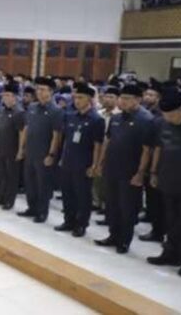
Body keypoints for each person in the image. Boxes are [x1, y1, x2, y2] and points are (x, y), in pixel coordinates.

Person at [93, 83, 155, 254]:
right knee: (112, 205)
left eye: (128, 99)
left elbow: (147, 150)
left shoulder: (146, 120)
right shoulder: (117, 118)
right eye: (122, 98)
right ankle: (113, 235)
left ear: (138, 100)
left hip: (130, 171)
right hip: (112, 167)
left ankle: (124, 240)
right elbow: (108, 141)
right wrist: (100, 163)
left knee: (127, 208)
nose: (123, 102)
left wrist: (141, 173)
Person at [147, 88, 181, 278]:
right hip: (168, 179)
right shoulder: (162, 123)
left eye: (172, 116)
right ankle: (170, 254)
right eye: (166, 116)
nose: (169, 120)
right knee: (170, 221)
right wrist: (154, 171)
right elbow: (158, 148)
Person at [55, 83, 105, 238]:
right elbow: (66, 140)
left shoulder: (96, 119)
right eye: (75, 97)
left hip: (84, 163)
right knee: (67, 193)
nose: (77, 100)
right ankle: (68, 220)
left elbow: (98, 144)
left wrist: (95, 165)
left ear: (89, 99)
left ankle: (81, 224)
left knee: (82, 196)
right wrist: (62, 158)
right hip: (69, 160)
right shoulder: (70, 116)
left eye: (81, 97)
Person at [17, 76, 64, 224]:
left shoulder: (56, 111)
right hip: (30, 151)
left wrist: (51, 154)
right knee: (29, 183)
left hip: (44, 154)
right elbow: (26, 128)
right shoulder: (32, 107)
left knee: (43, 185)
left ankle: (42, 211)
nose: (39, 91)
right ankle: (32, 207)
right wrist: (21, 148)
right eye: (38, 89)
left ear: (51, 92)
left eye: (43, 89)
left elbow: (57, 135)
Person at [0, 81, 25, 210]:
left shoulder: (19, 112)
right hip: (0, 147)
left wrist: (21, 150)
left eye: (7, 95)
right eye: (3, 95)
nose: (4, 98)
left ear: (14, 97)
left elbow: (22, 132)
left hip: (12, 149)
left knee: (11, 176)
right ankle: (0, 196)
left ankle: (9, 200)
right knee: (0, 174)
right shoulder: (2, 110)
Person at [141, 79, 165, 243]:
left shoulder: (160, 117)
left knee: (159, 200)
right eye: (147, 94)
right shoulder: (149, 113)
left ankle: (159, 230)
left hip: (163, 166)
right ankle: (151, 217)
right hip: (149, 161)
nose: (148, 97)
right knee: (151, 195)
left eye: (152, 95)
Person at [94, 85, 121, 216]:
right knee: (96, 176)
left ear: (117, 99)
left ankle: (107, 206)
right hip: (98, 146)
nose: (108, 99)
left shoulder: (119, 115)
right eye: (106, 96)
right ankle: (96, 202)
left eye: (112, 97)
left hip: (112, 150)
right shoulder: (99, 113)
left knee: (107, 180)